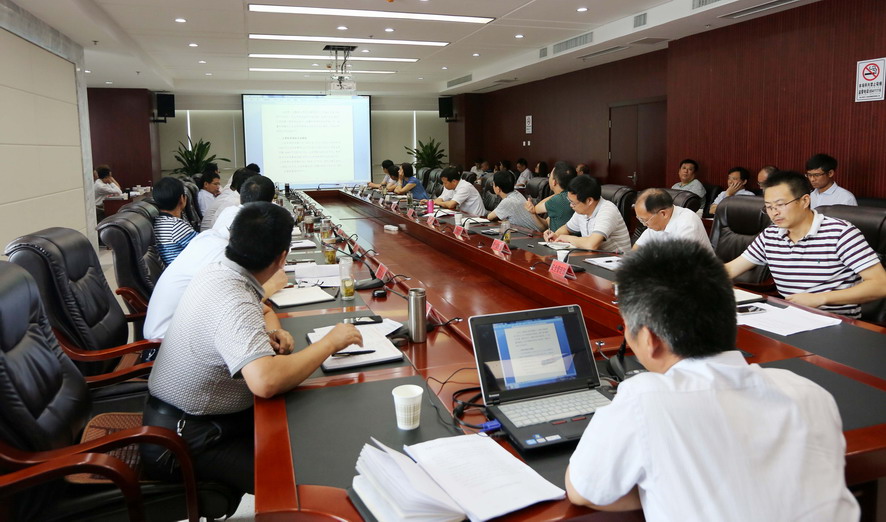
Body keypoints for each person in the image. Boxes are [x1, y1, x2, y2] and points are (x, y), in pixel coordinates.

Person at [566, 238, 859, 521]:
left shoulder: (643, 399)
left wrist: (656, 492)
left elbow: (583, 491)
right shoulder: (808, 393)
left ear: (648, 338)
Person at [141, 202, 362, 498]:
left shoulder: (219, 271)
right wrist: (331, 342)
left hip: (191, 421)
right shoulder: (232, 298)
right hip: (182, 442)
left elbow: (255, 313)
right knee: (304, 479)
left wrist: (268, 334)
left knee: (309, 423)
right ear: (282, 258)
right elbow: (265, 381)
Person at [725, 171, 885, 318]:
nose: (774, 213)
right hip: (789, 317)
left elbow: (880, 285)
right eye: (769, 207)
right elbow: (732, 268)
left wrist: (820, 298)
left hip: (836, 322)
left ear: (804, 201)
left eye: (780, 205)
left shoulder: (841, 233)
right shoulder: (770, 235)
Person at [144, 175, 283, 340]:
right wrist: (271, 285)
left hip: (182, 324)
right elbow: (240, 303)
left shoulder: (210, 238)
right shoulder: (221, 256)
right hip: (170, 339)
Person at [543, 175, 630, 253]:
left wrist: (568, 238)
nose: (571, 205)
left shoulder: (607, 211)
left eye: (573, 203)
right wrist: (555, 235)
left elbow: (592, 245)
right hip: (594, 258)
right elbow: (567, 228)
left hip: (616, 262)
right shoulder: (582, 211)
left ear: (589, 201)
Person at [632, 188, 711, 251]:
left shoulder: (687, 223)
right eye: (640, 219)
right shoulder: (656, 223)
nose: (644, 224)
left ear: (663, 214)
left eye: (644, 220)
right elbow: (636, 250)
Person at [152, 177, 198, 265]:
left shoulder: (159, 222)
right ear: (182, 199)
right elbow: (204, 247)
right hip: (186, 269)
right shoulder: (176, 226)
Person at [525, 161, 576, 232]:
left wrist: (556, 194)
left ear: (554, 182)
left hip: (560, 238)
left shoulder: (558, 199)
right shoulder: (574, 195)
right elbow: (545, 225)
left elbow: (536, 209)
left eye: (549, 175)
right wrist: (533, 213)